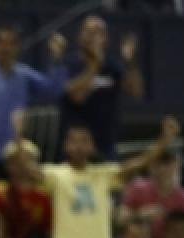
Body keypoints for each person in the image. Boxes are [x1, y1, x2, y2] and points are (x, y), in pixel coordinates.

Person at [11, 115, 180, 238]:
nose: (78, 146)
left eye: (84, 141)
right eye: (73, 141)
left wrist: (164, 140)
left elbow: (137, 164)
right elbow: (27, 169)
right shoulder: (56, 175)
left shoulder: (104, 174)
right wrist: (17, 135)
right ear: (65, 145)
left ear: (92, 146)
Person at [0, 27, 66, 184]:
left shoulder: (23, 74)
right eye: (1, 43)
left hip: (10, 156)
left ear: (17, 48)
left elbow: (51, 91)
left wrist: (56, 60)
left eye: (11, 44)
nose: (5, 48)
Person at [59, 15, 143, 161]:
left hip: (105, 145)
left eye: (97, 32)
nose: (91, 36)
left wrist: (129, 62)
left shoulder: (112, 67)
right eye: (87, 31)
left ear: (105, 38)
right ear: (79, 37)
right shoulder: (69, 64)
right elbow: (77, 97)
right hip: (75, 148)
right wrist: (95, 65)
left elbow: (135, 91)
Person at [0, 138, 50, 238]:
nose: (21, 165)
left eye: (27, 160)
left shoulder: (42, 196)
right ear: (7, 165)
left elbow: (46, 232)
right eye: (15, 161)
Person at [118, 148, 184, 238]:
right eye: (157, 163)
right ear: (150, 165)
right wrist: (140, 215)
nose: (162, 168)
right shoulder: (136, 188)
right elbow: (119, 220)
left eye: (167, 163)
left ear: (177, 164)